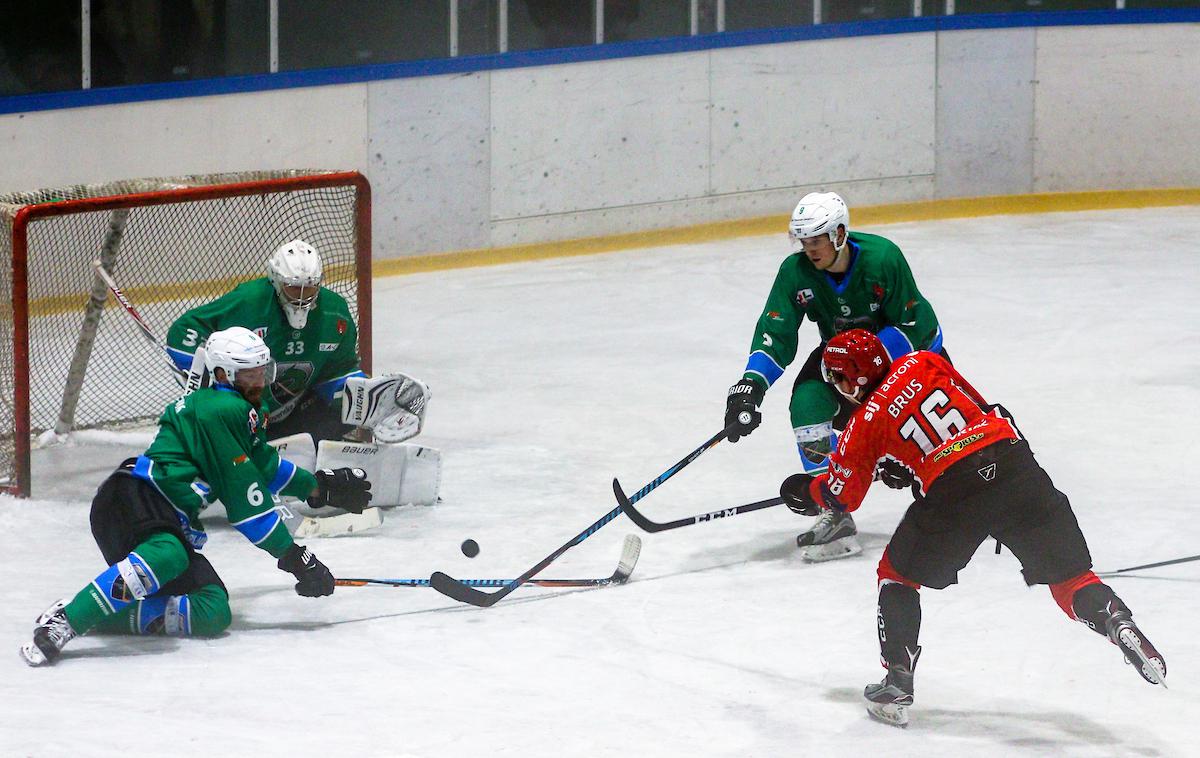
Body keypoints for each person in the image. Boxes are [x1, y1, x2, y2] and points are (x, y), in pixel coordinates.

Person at [778, 329, 1166, 727]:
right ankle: (1115, 620)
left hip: (955, 491)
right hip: (1014, 462)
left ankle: (897, 683)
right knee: (1070, 578)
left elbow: (842, 496)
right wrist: (910, 462)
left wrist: (804, 491)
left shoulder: (863, 425)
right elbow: (982, 409)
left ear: (849, 379)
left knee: (896, 576)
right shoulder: (923, 363)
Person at [19, 327, 372, 667]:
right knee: (169, 554)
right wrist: (295, 557)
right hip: (133, 498)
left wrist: (318, 487)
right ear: (222, 374)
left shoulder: (234, 409)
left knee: (212, 610)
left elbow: (264, 466)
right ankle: (65, 624)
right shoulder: (220, 411)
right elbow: (247, 504)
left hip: (165, 517)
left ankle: (89, 611)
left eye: (263, 372)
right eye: (250, 375)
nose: (261, 382)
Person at [724, 191, 946, 560]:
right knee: (809, 400)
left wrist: (872, 367)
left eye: (817, 240)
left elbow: (918, 326)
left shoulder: (883, 258)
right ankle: (835, 508)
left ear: (840, 234)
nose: (809, 249)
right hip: (843, 361)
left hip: (903, 359)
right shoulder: (796, 273)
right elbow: (776, 332)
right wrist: (751, 384)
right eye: (804, 241)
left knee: (930, 435)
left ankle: (963, 493)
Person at [165, 239, 430, 446]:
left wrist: (370, 399)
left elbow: (338, 373)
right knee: (222, 412)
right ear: (276, 280)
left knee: (347, 413)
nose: (302, 296)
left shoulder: (334, 313)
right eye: (293, 287)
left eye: (310, 287)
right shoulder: (249, 301)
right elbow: (183, 332)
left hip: (292, 418)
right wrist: (208, 373)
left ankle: (312, 454)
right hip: (246, 417)